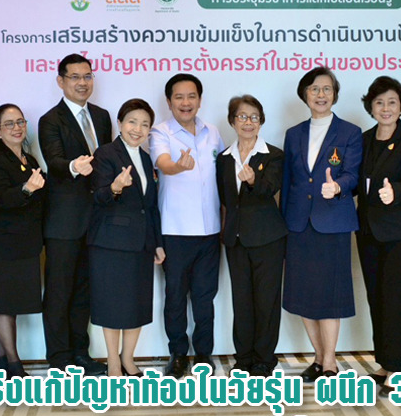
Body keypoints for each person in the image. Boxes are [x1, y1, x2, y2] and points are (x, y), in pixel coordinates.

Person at [282, 67, 361, 380]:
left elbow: (352, 174)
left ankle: (329, 362)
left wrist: (337, 186)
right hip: (298, 224)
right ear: (305, 94)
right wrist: (284, 223)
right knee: (303, 294)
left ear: (335, 94)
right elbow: (288, 182)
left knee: (330, 296)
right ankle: (318, 358)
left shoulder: (349, 132)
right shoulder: (294, 134)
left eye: (327, 89)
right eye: (314, 89)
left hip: (333, 223)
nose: (320, 94)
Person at [38, 54, 112, 375]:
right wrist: (73, 166)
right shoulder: (50, 120)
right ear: (61, 81)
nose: (83, 83)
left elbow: (107, 160)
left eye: (87, 76)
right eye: (75, 77)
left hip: (97, 219)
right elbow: (54, 161)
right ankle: (59, 358)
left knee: (84, 290)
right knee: (59, 292)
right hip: (64, 221)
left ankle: (81, 353)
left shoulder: (102, 116)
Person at [355, 76, 401, 394]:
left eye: (392, 102)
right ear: (371, 107)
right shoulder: (363, 140)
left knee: (398, 301)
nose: (385, 108)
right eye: (379, 102)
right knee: (377, 298)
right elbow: (354, 179)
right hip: (369, 231)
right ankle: (385, 363)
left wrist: (395, 192)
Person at [151, 73, 225, 378]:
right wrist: (178, 166)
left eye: (191, 96)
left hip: (210, 230)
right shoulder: (160, 132)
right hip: (176, 230)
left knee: (205, 296)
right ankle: (178, 354)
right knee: (176, 296)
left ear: (200, 100)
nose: (186, 102)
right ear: (169, 102)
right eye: (179, 97)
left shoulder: (213, 132)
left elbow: (224, 174)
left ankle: (204, 353)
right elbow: (163, 164)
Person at [88, 99, 166, 377]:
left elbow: (151, 206)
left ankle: (128, 359)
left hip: (141, 242)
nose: (138, 129)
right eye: (132, 122)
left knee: (137, 304)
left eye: (145, 124)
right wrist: (116, 187)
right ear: (120, 124)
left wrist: (157, 243)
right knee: (112, 304)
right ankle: (112, 361)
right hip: (111, 243)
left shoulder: (145, 158)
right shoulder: (105, 153)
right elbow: (98, 196)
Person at [216, 95, 288, 377]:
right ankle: (243, 359)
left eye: (254, 117)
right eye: (242, 116)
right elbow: (224, 200)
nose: (248, 122)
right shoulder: (224, 159)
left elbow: (270, 188)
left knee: (266, 301)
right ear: (232, 121)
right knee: (242, 301)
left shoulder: (274, 155)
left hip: (267, 238)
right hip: (235, 240)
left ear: (261, 121)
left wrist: (253, 180)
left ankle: (264, 360)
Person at [0, 104, 46, 378]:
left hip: (26, 244)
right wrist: (27, 189)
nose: (16, 128)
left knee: (12, 306)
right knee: (5, 307)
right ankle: (15, 367)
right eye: (9, 124)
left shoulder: (30, 160)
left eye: (20, 122)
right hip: (3, 245)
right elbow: (0, 200)